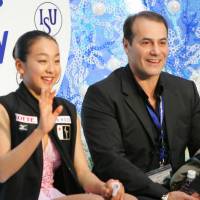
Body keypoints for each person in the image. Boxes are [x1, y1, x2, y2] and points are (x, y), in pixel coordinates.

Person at [0, 30, 137, 200]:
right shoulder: (5, 107)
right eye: (43, 61)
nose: (51, 69)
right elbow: (2, 172)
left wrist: (104, 188)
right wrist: (40, 132)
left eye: (56, 61)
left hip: (53, 194)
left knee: (129, 199)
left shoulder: (66, 110)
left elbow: (82, 172)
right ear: (20, 66)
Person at [81, 11, 200, 200]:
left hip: (180, 191)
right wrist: (166, 196)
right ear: (126, 45)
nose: (156, 51)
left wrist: (194, 190)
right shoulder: (101, 95)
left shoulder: (186, 90)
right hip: (129, 194)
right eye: (146, 43)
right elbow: (110, 162)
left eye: (162, 42)